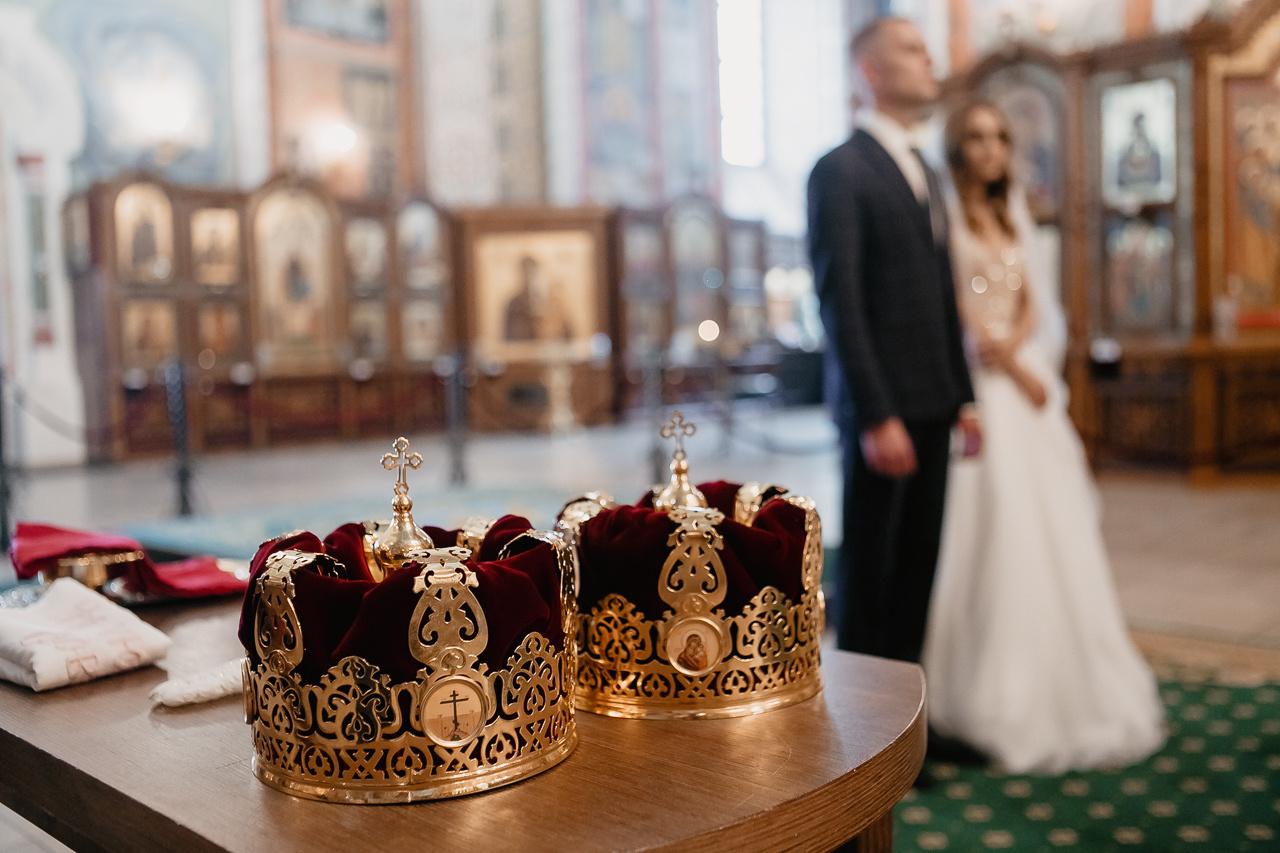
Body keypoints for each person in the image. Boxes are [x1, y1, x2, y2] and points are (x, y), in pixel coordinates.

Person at [922, 100, 1165, 773]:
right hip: (977, 389)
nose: (990, 148)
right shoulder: (947, 217)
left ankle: (1054, 684)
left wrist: (1023, 358)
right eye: (976, 137)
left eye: (999, 137)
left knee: (1049, 532)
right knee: (989, 530)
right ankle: (963, 695)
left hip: (1019, 381)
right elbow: (951, 303)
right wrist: (993, 350)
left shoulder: (1010, 216)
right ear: (958, 147)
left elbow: (1032, 297)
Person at [807, 17, 980, 664]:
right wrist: (877, 415)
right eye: (911, 49)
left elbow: (942, 297)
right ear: (870, 72)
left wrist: (964, 397)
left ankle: (906, 731)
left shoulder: (927, 171)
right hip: (883, 413)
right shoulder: (840, 171)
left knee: (918, 571)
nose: (929, 59)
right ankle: (861, 740)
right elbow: (840, 301)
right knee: (873, 577)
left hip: (934, 399)